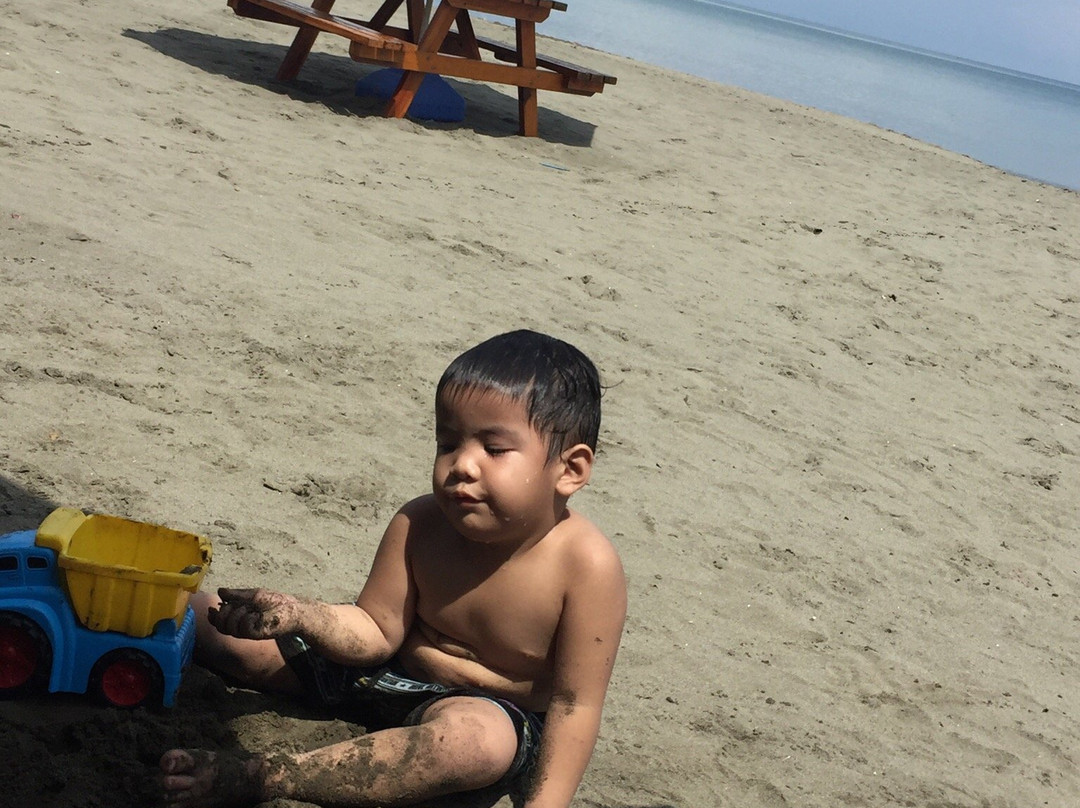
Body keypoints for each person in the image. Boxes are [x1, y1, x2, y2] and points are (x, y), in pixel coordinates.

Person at [158, 329, 627, 808]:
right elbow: (376, 629)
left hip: (486, 711)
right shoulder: (421, 521)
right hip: (382, 673)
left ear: (570, 470)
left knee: (476, 744)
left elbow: (575, 705)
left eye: (494, 449)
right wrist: (300, 615)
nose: (462, 465)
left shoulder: (586, 566)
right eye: (448, 443)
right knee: (201, 616)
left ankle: (266, 776)